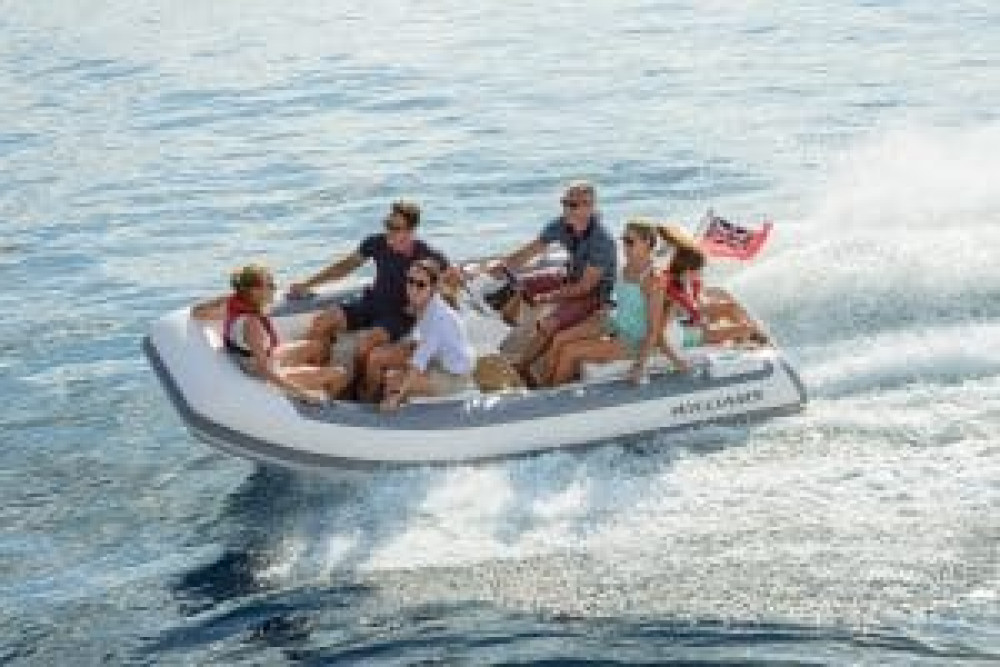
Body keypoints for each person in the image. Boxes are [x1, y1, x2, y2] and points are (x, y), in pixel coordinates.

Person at [288, 200, 452, 374]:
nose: (389, 232)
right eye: (388, 225)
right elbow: (346, 266)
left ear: (411, 231)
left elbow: (450, 281)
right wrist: (307, 284)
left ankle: (355, 384)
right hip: (370, 303)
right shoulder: (376, 242)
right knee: (322, 322)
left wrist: (422, 308)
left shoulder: (427, 254)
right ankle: (318, 375)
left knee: (366, 343)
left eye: (396, 228)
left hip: (399, 315)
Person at [486, 181, 617, 380]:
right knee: (520, 285)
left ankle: (522, 368)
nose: (566, 209)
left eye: (572, 205)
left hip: (595, 293)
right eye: (564, 203)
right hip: (569, 276)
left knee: (548, 324)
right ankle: (512, 329)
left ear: (589, 207)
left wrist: (548, 297)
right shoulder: (562, 224)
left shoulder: (602, 241)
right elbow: (531, 250)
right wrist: (503, 266)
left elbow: (585, 287)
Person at [538, 220, 689, 387]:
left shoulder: (653, 280)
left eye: (630, 242)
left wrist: (640, 365)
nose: (625, 246)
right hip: (614, 322)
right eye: (623, 240)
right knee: (559, 339)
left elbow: (654, 330)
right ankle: (544, 388)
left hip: (632, 340)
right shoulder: (626, 267)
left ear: (647, 242)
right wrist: (606, 309)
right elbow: (623, 300)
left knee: (570, 351)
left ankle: (552, 394)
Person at [191, 264, 350, 402]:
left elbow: (197, 311)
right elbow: (265, 372)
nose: (275, 288)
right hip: (263, 375)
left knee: (318, 346)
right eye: (270, 285)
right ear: (255, 291)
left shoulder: (234, 304)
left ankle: (311, 377)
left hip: (260, 359)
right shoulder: (252, 324)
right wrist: (304, 394)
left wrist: (238, 293)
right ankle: (328, 402)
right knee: (340, 373)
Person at [370, 259, 476, 411]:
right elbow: (419, 339)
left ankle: (386, 413)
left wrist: (396, 397)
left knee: (394, 379)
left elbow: (418, 364)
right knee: (385, 359)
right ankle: (372, 398)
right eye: (410, 281)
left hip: (453, 376)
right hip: (439, 359)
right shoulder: (424, 305)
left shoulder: (438, 317)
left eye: (421, 284)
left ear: (433, 288)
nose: (413, 288)